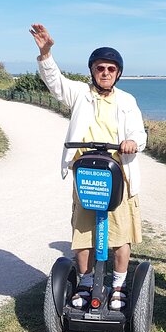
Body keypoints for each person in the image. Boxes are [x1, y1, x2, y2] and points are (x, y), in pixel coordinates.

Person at [30, 23, 147, 311]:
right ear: (92, 71)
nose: (104, 73)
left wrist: (132, 141)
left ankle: (118, 284)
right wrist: (46, 54)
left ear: (117, 73)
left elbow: (140, 133)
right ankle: (84, 280)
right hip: (87, 175)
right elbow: (55, 82)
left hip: (118, 174)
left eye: (110, 68)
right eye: (99, 68)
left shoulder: (127, 101)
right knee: (83, 233)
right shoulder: (80, 94)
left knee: (121, 235)